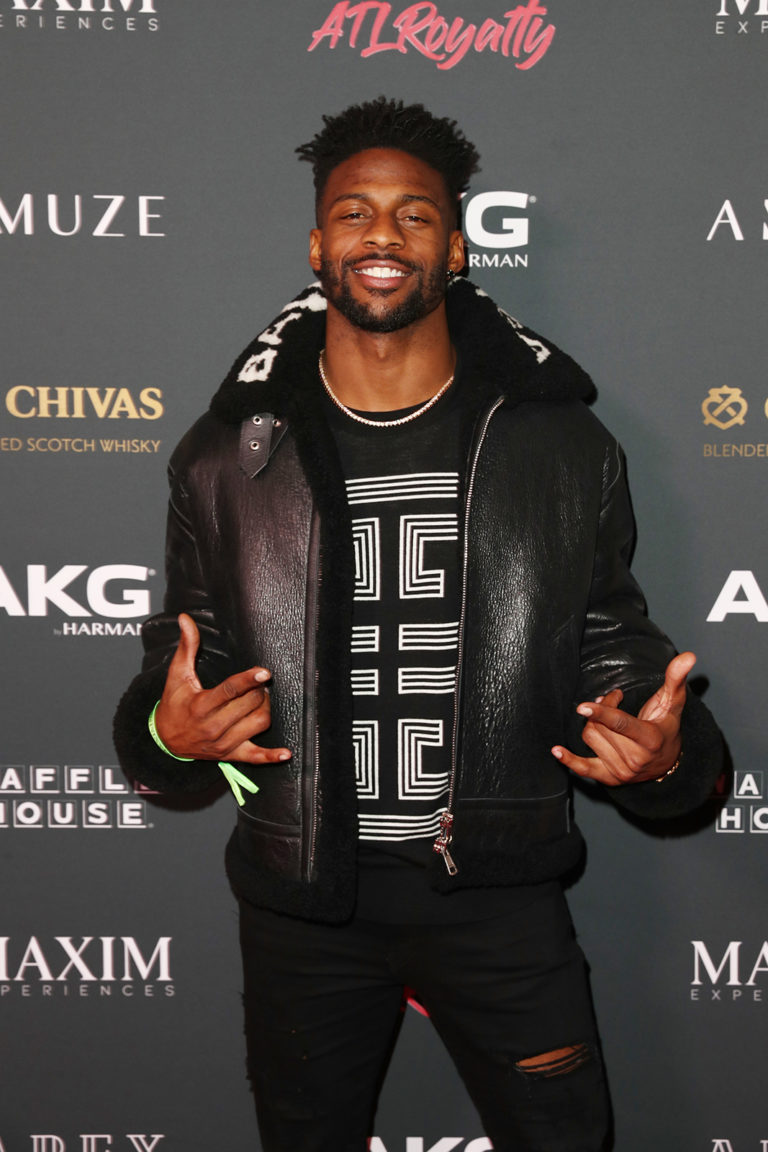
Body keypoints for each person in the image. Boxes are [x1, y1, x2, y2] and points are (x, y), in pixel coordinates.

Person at [114, 97, 722, 1152]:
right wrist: (169, 736)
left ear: (457, 244)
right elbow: (182, 667)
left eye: (414, 214)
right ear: (317, 244)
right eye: (354, 213)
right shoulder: (226, 455)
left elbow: (612, 647)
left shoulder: (558, 443)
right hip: (305, 905)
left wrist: (664, 756)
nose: (382, 236)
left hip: (500, 894)